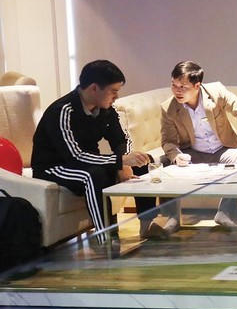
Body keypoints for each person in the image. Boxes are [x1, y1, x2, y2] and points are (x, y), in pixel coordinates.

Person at [31, 60, 151, 248]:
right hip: (55, 167)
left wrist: (125, 162)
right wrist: (118, 161)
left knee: (140, 161)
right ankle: (106, 240)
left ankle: (147, 224)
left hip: (87, 162)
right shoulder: (62, 111)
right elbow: (75, 156)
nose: (116, 97)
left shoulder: (106, 109)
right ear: (94, 88)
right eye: (113, 91)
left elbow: (121, 139)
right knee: (93, 175)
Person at [159, 61, 237, 229]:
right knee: (165, 162)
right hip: (193, 152)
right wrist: (176, 155)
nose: (177, 91)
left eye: (183, 87)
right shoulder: (169, 107)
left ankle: (225, 214)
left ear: (197, 86)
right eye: (173, 85)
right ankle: (173, 218)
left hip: (223, 149)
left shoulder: (216, 92)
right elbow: (168, 141)